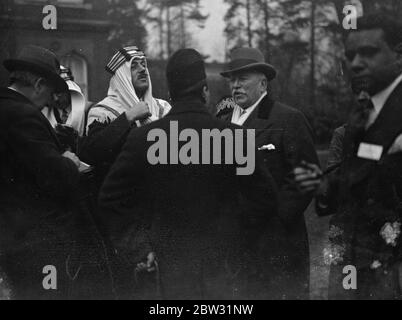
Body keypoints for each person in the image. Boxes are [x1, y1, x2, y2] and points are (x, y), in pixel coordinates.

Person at [98, 48, 278, 300]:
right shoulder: (236, 138)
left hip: (168, 269)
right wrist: (234, 240)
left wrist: (140, 249)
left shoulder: (144, 138)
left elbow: (110, 199)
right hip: (222, 269)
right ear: (205, 91)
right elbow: (264, 199)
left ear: (171, 93)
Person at [294, 13, 402, 299]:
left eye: (368, 52)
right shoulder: (358, 118)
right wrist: (322, 185)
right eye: (351, 55)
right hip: (354, 248)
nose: (355, 63)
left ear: (398, 54)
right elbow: (349, 179)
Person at [217, 47, 319, 299]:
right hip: (235, 248)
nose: (235, 86)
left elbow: (307, 175)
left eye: (243, 79)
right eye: (232, 80)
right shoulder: (221, 123)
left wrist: (275, 221)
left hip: (277, 245)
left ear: (263, 83)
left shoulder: (287, 119)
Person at [0, 45, 82, 299]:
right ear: (37, 84)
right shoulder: (23, 115)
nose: (50, 101)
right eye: (50, 92)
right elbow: (55, 175)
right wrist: (69, 160)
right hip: (32, 245)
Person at [79, 46, 171, 185]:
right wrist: (128, 117)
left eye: (143, 64)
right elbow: (93, 152)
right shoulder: (103, 111)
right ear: (123, 77)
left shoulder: (163, 107)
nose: (142, 69)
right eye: (134, 66)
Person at [42, 66, 87, 152]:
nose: (56, 99)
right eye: (51, 94)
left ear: (70, 91)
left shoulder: (88, 111)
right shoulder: (44, 113)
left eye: (59, 93)